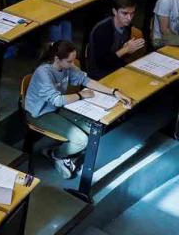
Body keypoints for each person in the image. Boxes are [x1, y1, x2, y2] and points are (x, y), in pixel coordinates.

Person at [25, 40, 132, 178]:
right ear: (57, 59)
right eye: (69, 61)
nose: (72, 64)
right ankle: (57, 155)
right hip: (39, 113)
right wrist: (81, 95)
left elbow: (86, 80)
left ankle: (63, 150)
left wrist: (113, 92)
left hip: (57, 107)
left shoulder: (66, 66)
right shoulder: (43, 72)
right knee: (81, 140)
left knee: (93, 128)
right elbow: (57, 100)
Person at [87, 0, 146, 80]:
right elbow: (102, 63)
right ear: (114, 11)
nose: (129, 18)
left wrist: (128, 50)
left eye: (132, 13)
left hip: (117, 67)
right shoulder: (102, 30)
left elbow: (120, 55)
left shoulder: (127, 26)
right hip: (100, 74)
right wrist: (125, 50)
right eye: (125, 13)